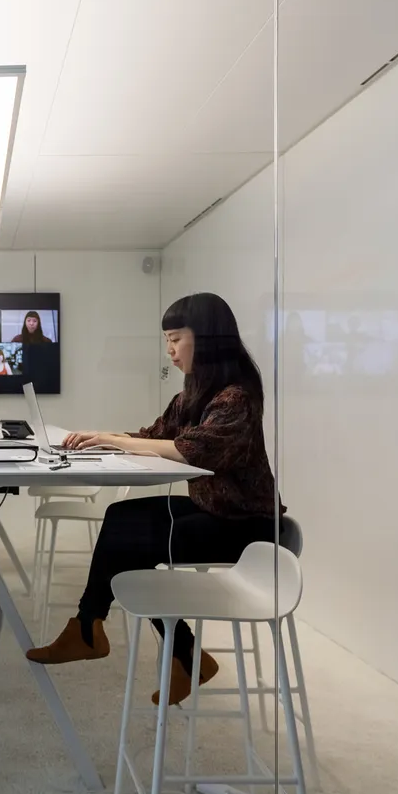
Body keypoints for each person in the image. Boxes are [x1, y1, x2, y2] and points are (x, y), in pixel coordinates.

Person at [25, 292, 285, 706]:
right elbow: (157, 435)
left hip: (246, 528)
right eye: (166, 340)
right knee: (121, 518)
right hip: (214, 512)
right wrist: (101, 439)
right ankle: (165, 650)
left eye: (175, 339)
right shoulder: (195, 394)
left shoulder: (236, 397)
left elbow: (190, 449)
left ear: (208, 339)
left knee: (131, 541)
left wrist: (112, 440)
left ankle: (97, 630)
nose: (170, 349)